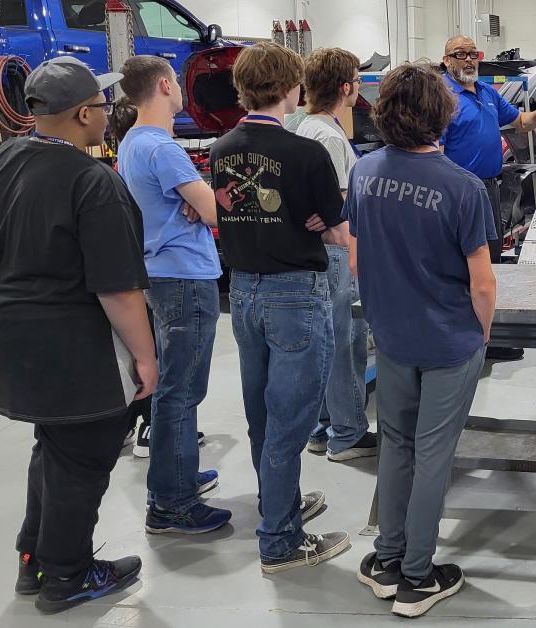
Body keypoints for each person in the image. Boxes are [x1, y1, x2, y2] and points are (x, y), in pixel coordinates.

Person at [0, 57, 155, 614]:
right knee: (84, 457)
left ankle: (35, 559)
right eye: (105, 107)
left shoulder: (6, 158)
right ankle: (68, 575)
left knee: (54, 448)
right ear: (84, 113)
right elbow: (119, 290)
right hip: (74, 350)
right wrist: (145, 358)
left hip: (11, 343)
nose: (111, 114)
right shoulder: (93, 182)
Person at [348, 62, 497, 618]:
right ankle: (417, 576)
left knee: (397, 444)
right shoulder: (462, 188)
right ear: (444, 114)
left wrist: (383, 317)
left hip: (391, 335)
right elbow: (481, 281)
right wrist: (478, 337)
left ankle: (387, 560)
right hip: (446, 340)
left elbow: (358, 256)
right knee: (434, 453)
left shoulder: (364, 172)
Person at [209, 42, 351, 573]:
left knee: (262, 416)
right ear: (292, 89)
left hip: (243, 292)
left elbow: (226, 210)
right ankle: (280, 541)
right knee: (291, 422)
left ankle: (280, 506)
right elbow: (336, 233)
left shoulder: (222, 149)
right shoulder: (307, 153)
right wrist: (318, 219)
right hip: (295, 294)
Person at [116, 56, 231, 535]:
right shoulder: (163, 149)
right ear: (165, 86)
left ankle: (175, 477)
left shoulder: (130, 144)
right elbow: (215, 214)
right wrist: (204, 196)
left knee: (174, 389)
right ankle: (172, 504)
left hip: (160, 276)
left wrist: (197, 197)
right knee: (181, 392)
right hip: (184, 276)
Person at [438, 35, 536, 361]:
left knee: (490, 262)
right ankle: (464, 340)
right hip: (458, 194)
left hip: (489, 189)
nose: (469, 60)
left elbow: (518, 121)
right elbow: (435, 151)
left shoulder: (485, 93)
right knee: (463, 266)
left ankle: (490, 337)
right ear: (446, 60)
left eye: (473, 54)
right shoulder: (441, 97)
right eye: (461, 54)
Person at [293, 48, 377, 463]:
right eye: (358, 82)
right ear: (346, 88)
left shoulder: (307, 126)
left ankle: (324, 428)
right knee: (346, 340)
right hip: (337, 255)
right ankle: (347, 434)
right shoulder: (327, 135)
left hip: (321, 254)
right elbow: (337, 210)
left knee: (328, 341)